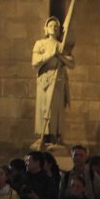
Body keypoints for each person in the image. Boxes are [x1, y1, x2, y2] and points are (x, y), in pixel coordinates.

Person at [32, 16, 75, 146]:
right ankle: (43, 135)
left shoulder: (62, 46)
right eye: (51, 26)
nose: (53, 28)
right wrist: (50, 54)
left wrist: (60, 56)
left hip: (58, 80)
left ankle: (56, 135)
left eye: (56, 26)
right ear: (46, 28)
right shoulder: (40, 43)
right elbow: (35, 62)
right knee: (44, 108)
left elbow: (72, 64)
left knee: (56, 109)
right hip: (45, 80)